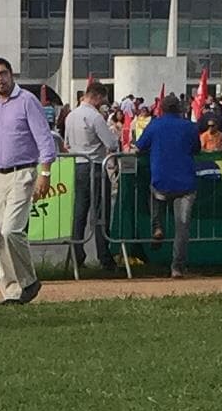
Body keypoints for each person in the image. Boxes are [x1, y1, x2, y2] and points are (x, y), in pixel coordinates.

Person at [0, 57, 57, 305]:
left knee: (11, 230)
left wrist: (45, 174)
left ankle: (28, 280)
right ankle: (11, 291)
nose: (0, 79)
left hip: (23, 172)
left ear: (11, 74)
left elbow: (44, 138)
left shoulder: (27, 101)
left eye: (3, 73)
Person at [135, 90, 205, 276]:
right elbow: (197, 149)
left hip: (161, 179)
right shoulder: (190, 127)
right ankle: (177, 267)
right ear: (180, 109)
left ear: (161, 109)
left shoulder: (155, 125)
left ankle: (157, 226)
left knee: (155, 195)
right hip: (186, 182)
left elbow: (140, 146)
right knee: (182, 227)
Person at [60, 78, 120, 273]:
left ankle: (78, 255)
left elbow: (66, 143)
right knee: (101, 213)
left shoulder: (71, 116)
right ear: (96, 97)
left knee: (80, 213)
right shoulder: (94, 117)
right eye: (103, 100)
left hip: (77, 165)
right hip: (95, 164)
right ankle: (104, 257)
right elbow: (110, 143)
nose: (104, 104)